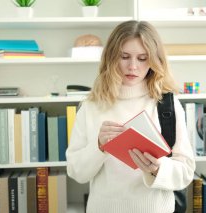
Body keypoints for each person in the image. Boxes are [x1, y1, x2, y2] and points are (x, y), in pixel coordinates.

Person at [66, 20, 195, 213]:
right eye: (124, 56)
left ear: (153, 60)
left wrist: (157, 168)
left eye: (142, 58)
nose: (132, 66)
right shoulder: (91, 106)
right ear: (111, 58)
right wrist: (99, 147)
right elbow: (76, 172)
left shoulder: (167, 105)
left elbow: (185, 174)